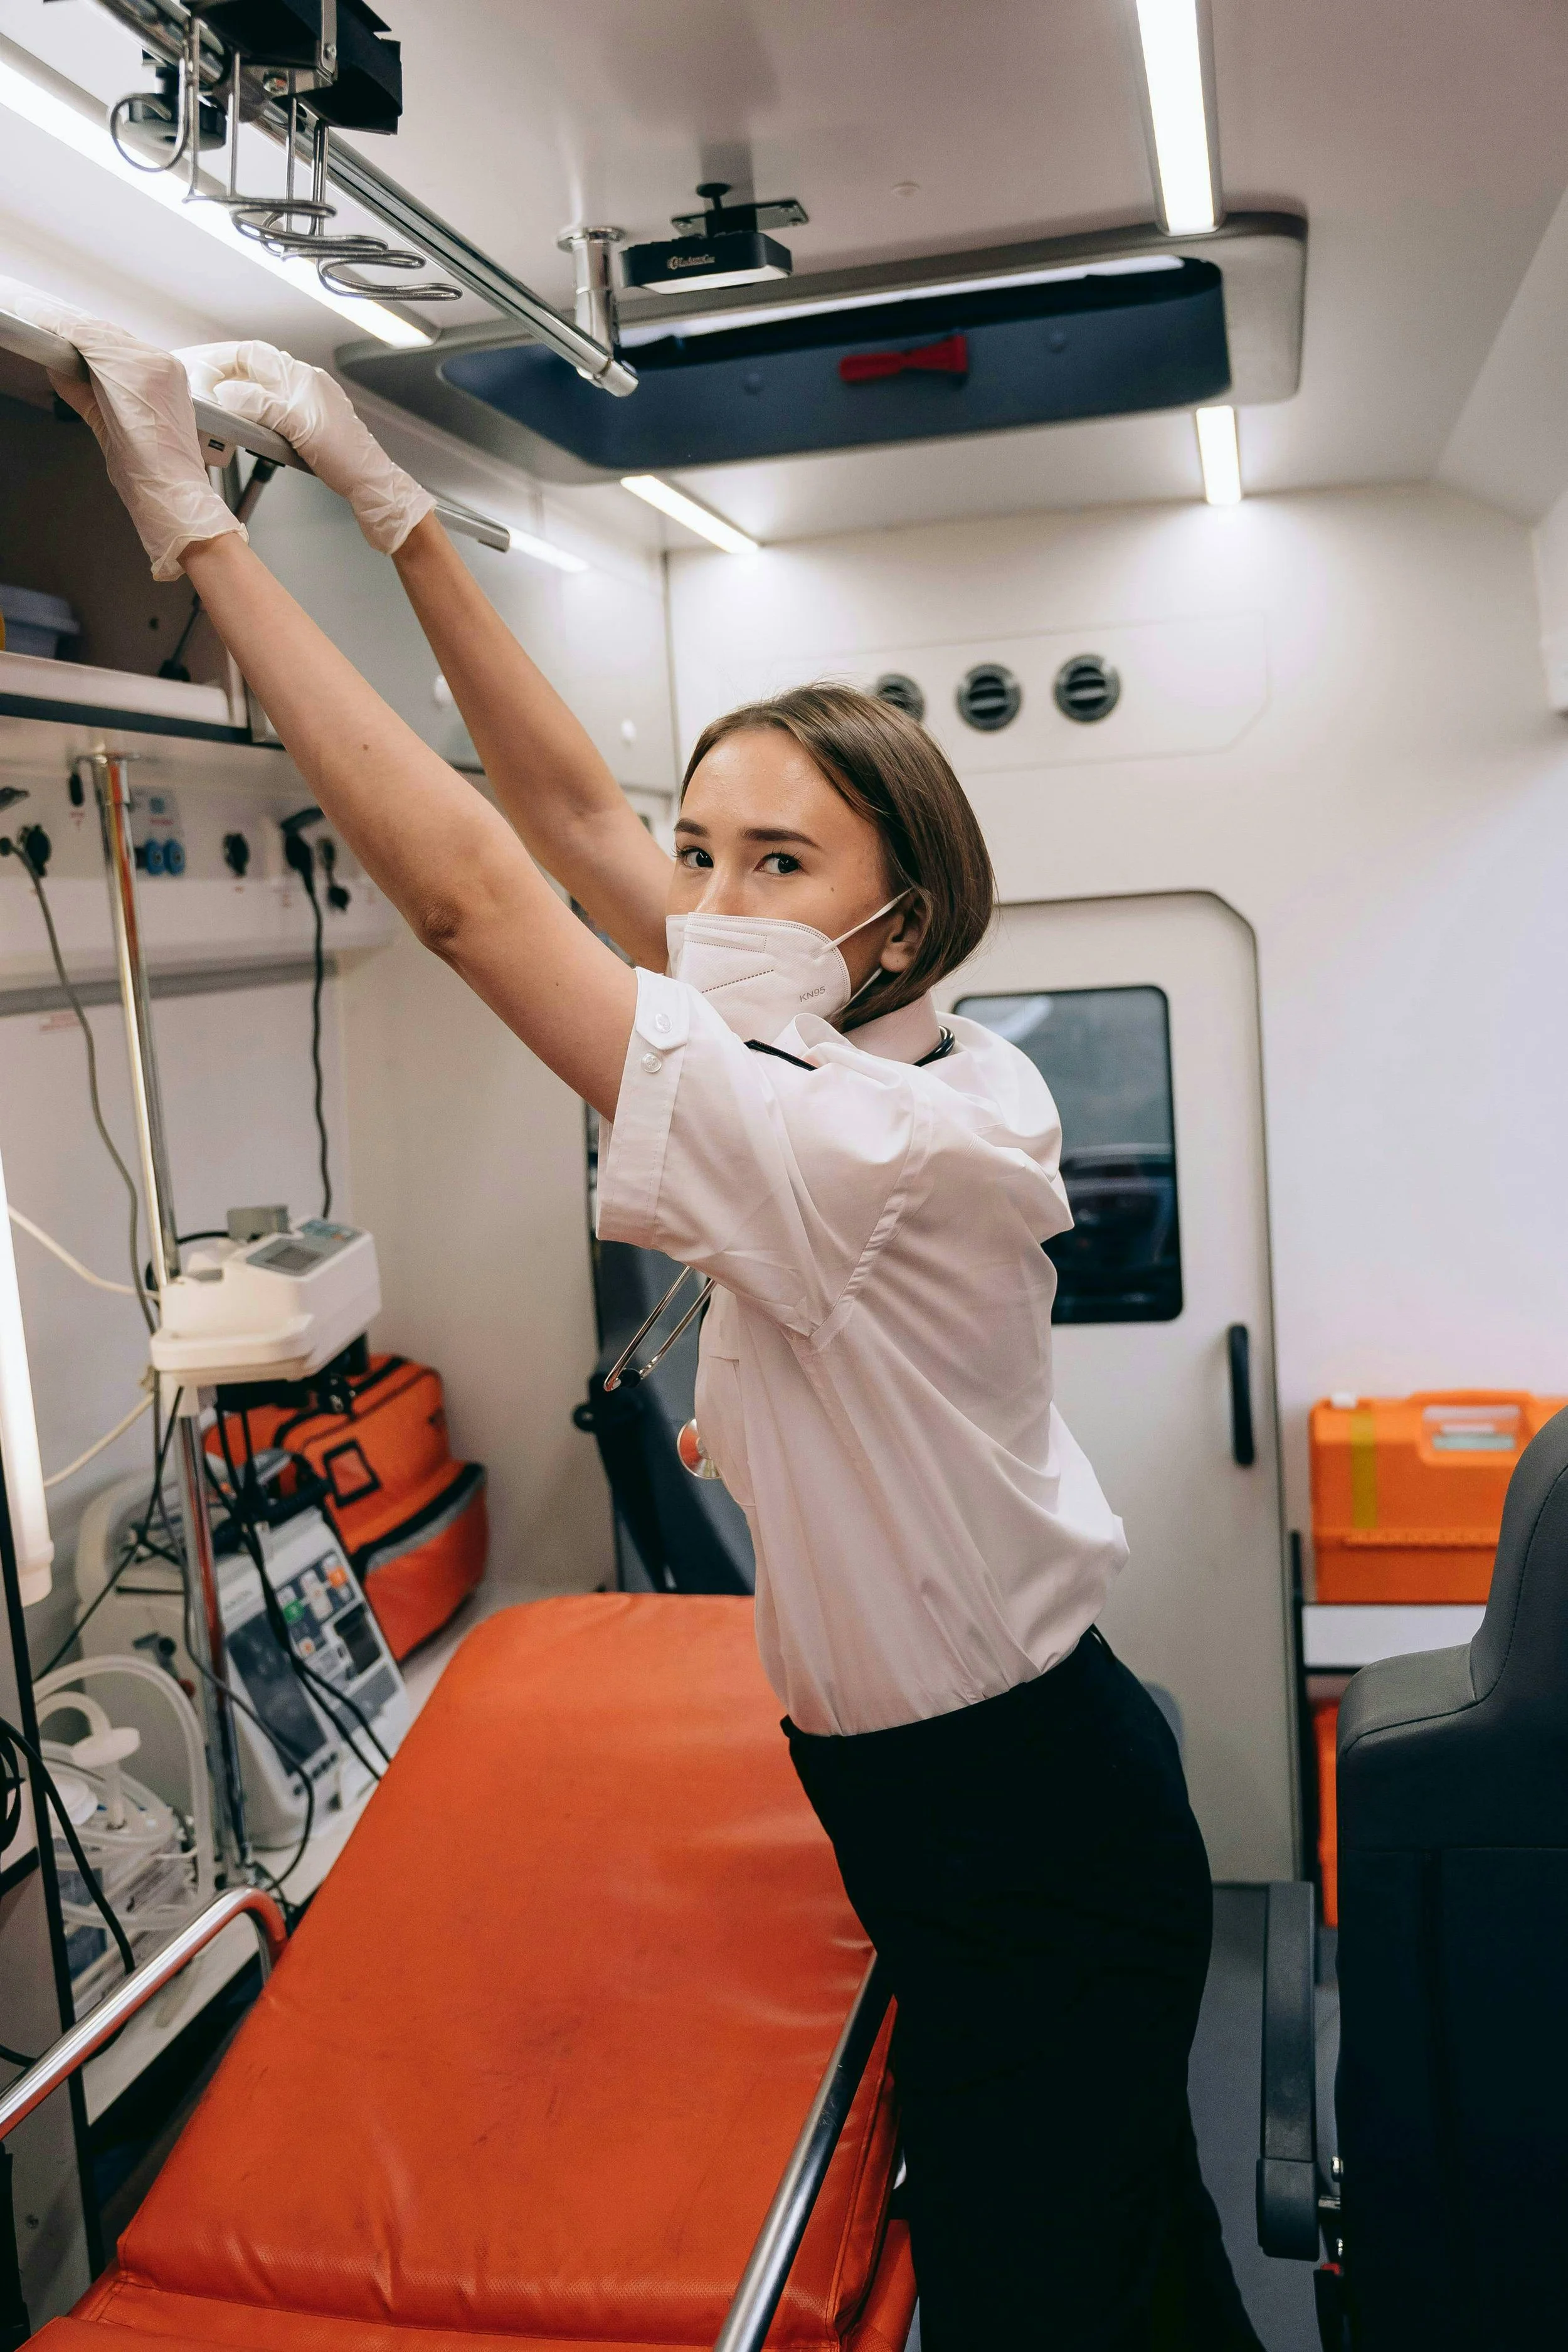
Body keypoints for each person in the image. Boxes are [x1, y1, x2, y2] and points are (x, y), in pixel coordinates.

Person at [31, 294, 1263, 2352]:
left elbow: (477, 903)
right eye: (712, 849)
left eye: (782, 861)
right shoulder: (903, 1057)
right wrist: (387, 494)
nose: (714, 896)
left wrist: (196, 533)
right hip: (1002, 1784)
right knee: (1132, 2245)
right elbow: (582, 837)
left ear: (908, 911)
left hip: (1021, 1823)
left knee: (1039, 2282)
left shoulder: (862, 1144)